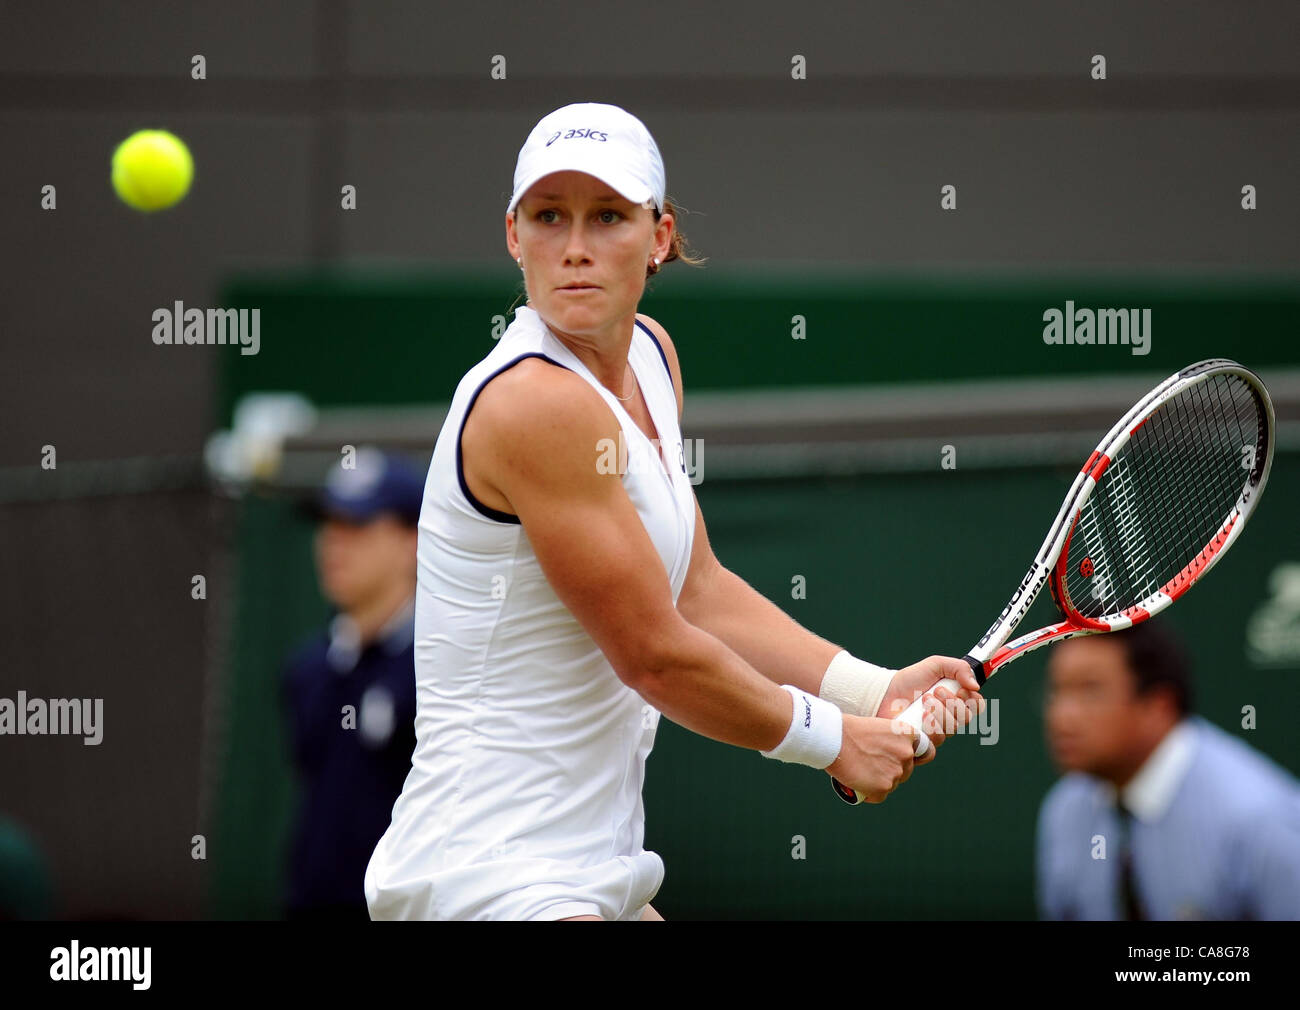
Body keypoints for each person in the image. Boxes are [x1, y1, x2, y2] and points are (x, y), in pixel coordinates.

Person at [364, 102, 984, 922]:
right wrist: (836, 743)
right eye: (550, 217)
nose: (576, 247)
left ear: (658, 236)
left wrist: (872, 692)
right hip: (489, 880)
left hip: (597, 868)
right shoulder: (530, 404)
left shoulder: (652, 359)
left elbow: (696, 590)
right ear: (514, 236)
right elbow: (653, 654)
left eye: (609, 217)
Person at [1036, 621, 1300, 920]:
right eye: (1056, 692)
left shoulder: (1259, 818)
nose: (1061, 717)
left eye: (1090, 691)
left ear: (1159, 707)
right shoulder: (1064, 812)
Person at [281, 447, 424, 919]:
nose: (334, 544)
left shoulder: (440, 669)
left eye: (357, 526)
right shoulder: (309, 670)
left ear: (413, 542)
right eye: (329, 525)